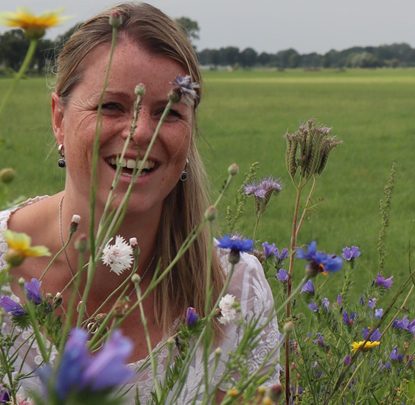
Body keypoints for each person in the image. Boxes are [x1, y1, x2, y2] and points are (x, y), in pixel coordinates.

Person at [0, 3, 279, 402]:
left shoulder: (234, 291)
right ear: (58, 118)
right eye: (111, 106)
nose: (141, 132)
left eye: (169, 112)